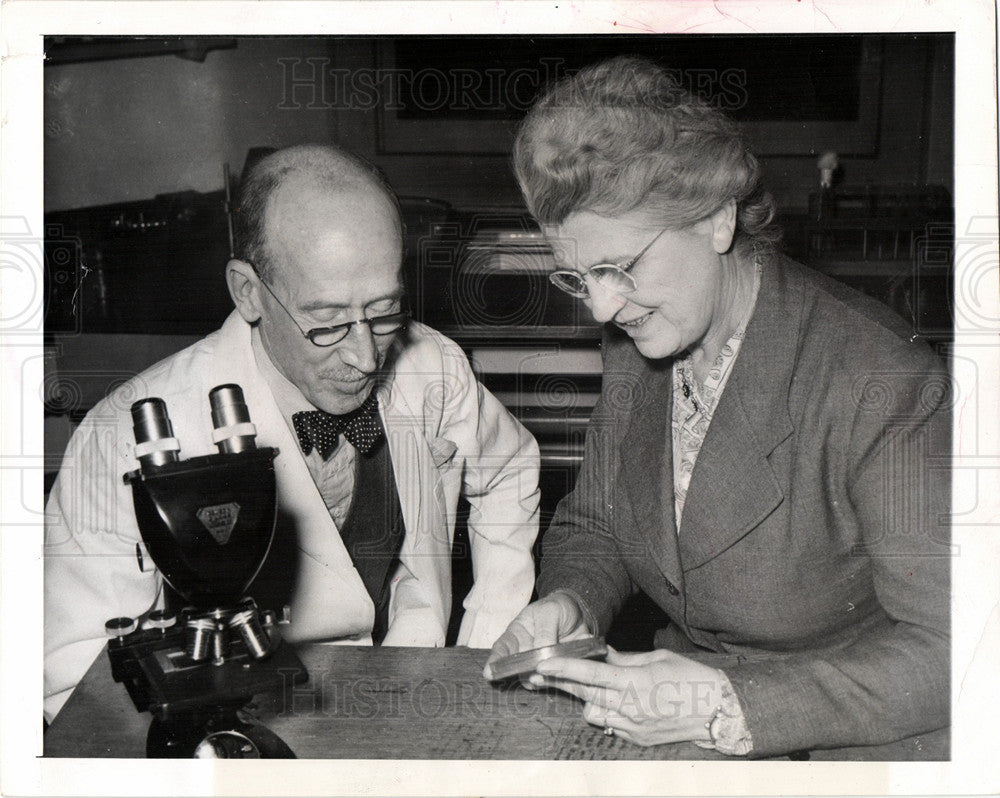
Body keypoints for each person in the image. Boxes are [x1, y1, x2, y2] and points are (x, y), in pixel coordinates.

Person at [486, 57, 950, 758]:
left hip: (845, 744)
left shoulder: (882, 381)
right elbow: (596, 526)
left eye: (620, 267)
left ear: (716, 218)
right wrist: (572, 604)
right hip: (670, 733)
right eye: (579, 278)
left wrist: (724, 707)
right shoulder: (643, 339)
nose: (603, 307)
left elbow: (958, 650)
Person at [45, 143, 540, 722]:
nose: (363, 356)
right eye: (326, 323)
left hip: (414, 696)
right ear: (248, 292)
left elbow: (508, 470)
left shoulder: (430, 363)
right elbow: (77, 676)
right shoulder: (121, 437)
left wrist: (483, 651)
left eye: (383, 312)